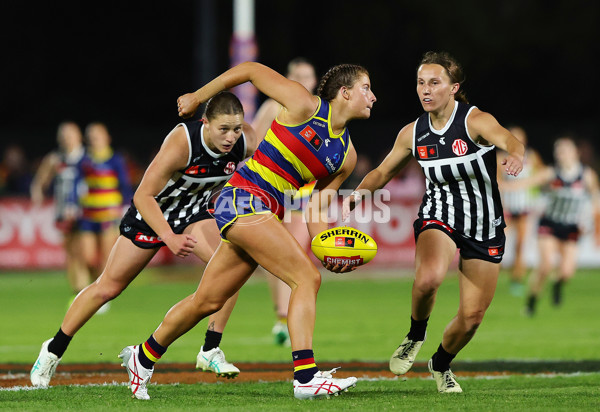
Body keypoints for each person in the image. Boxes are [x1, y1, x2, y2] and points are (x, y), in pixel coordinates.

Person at [118, 61, 376, 400]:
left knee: (207, 301)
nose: (373, 96)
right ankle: (306, 377)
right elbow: (251, 70)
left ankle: (143, 356)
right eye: (366, 88)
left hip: (263, 211)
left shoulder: (347, 156)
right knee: (306, 278)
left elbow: (315, 207)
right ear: (345, 93)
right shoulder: (303, 104)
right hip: (240, 198)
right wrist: (199, 96)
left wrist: (326, 247)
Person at [30, 92, 259, 388]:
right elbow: (143, 195)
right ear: (205, 123)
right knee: (107, 288)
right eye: (223, 129)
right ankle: (52, 350)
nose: (231, 137)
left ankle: (210, 348)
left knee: (231, 267)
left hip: (193, 214)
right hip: (152, 215)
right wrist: (169, 237)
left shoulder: (246, 141)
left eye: (236, 129)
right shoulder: (183, 143)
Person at [343, 51, 524, 393]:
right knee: (428, 279)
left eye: (434, 83)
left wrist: (515, 154)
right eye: (420, 83)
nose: (425, 90)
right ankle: (415, 334)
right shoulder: (413, 133)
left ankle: (440, 363)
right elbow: (382, 171)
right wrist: (359, 193)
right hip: (439, 213)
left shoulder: (475, 121)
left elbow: (509, 140)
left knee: (472, 319)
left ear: (454, 88)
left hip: (484, 225)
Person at [251, 57, 318, 346]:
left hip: (303, 195)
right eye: (298, 75)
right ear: (288, 78)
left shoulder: (317, 109)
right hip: (275, 192)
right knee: (281, 257)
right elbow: (252, 142)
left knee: (297, 256)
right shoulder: (272, 106)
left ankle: (285, 319)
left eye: (308, 75)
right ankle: (282, 318)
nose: (304, 81)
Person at [520, 136, 600, 316]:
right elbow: (526, 183)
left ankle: (557, 284)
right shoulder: (551, 172)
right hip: (550, 223)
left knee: (567, 272)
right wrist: (501, 186)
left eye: (565, 150)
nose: (561, 154)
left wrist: (595, 228)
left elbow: (595, 201)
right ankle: (532, 300)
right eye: (559, 151)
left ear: (575, 153)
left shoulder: (586, 175)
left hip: (572, 227)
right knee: (546, 265)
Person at [30, 121, 91, 294]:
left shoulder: (88, 157)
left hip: (87, 211)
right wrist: (37, 194)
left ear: (79, 136)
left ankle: (90, 286)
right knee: (71, 251)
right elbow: (40, 181)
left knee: (86, 253)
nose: (67, 139)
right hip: (63, 212)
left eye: (70, 134)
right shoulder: (55, 158)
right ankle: (79, 290)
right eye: (63, 135)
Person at [496, 126, 543, 296]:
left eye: (520, 137)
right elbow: (496, 180)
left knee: (521, 245)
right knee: (497, 242)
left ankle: (516, 279)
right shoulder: (500, 158)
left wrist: (530, 188)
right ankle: (492, 274)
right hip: (506, 208)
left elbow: (541, 175)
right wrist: (507, 188)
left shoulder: (532, 157)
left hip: (524, 208)